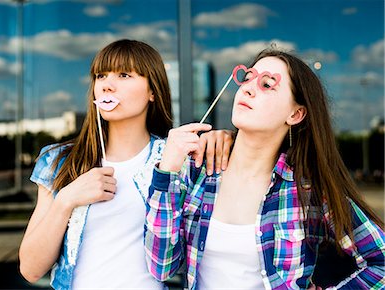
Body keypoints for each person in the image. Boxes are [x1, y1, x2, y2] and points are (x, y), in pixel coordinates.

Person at [144, 48, 385, 289]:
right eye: (247, 78)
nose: (248, 88)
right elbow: (162, 267)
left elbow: (381, 262)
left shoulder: (307, 192)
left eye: (267, 84)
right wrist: (167, 171)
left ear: (296, 114)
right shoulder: (196, 170)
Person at [18, 39, 233, 289]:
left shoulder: (178, 159)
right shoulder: (60, 160)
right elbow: (31, 269)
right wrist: (66, 199)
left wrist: (229, 138)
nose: (107, 85)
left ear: (153, 91)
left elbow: (176, 261)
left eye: (124, 75)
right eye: (101, 76)